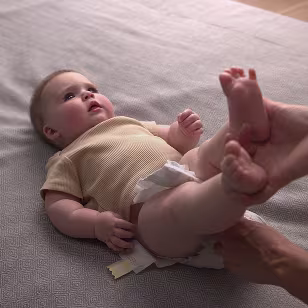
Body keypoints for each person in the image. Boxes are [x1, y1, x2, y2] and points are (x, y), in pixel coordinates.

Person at [29, 66, 270, 259]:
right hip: (147, 213)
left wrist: (184, 133)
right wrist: (95, 225)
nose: (88, 94)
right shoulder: (67, 158)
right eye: (69, 96)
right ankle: (231, 185)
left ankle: (240, 132)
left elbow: (175, 141)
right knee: (178, 206)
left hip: (183, 171)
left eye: (91, 88)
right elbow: (60, 209)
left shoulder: (128, 122)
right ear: (52, 131)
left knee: (199, 155)